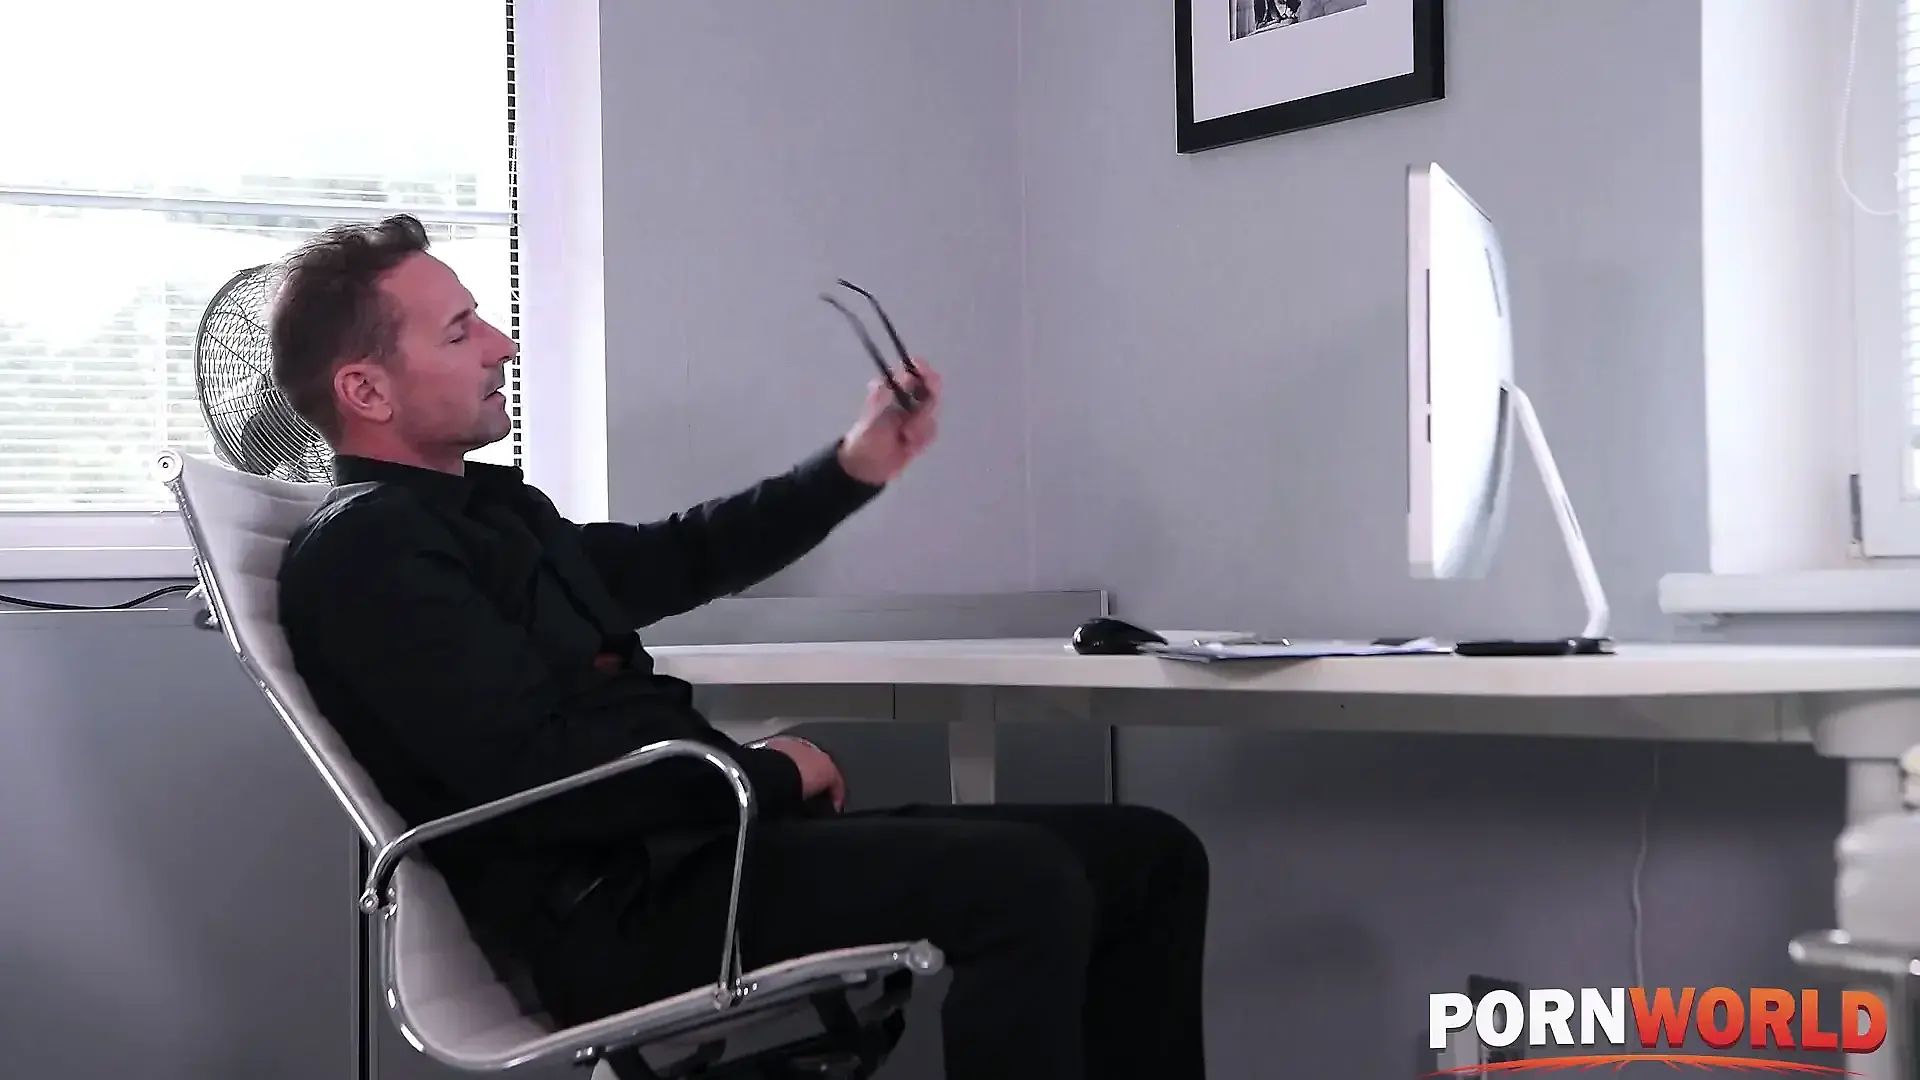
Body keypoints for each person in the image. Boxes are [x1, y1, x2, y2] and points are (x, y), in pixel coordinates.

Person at [270, 213, 1210, 1080]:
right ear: (365, 389)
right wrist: (768, 773)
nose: (500, 344)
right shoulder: (368, 551)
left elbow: (685, 555)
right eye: (459, 332)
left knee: (1150, 857)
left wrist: (851, 467)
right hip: (625, 909)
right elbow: (543, 776)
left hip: (705, 853)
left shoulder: (492, 514)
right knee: (1023, 886)